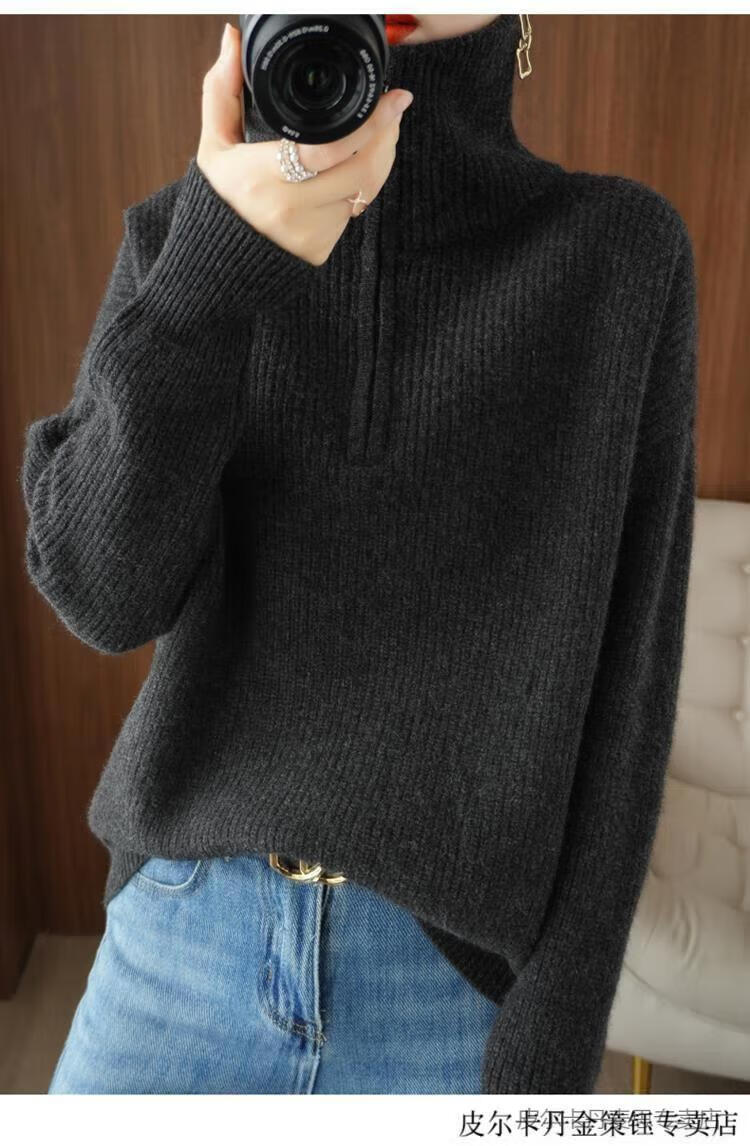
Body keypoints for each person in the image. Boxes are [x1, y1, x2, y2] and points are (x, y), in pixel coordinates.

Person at [24, 13, 698, 1095]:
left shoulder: (617, 258)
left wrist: (553, 1053)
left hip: (449, 990)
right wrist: (209, 274)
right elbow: (103, 594)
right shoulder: (184, 243)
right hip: (182, 941)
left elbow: (631, 699)